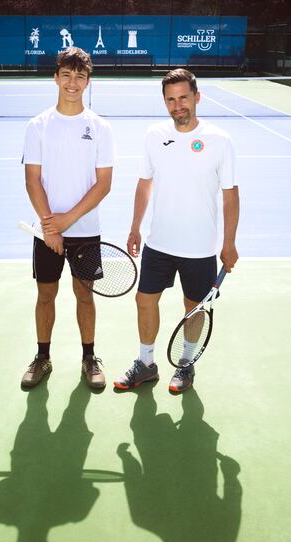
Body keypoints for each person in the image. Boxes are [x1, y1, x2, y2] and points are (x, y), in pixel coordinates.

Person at [114, 68, 239, 394]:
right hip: (159, 243)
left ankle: (185, 364)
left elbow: (230, 195)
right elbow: (144, 184)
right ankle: (146, 364)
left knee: (193, 309)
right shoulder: (154, 135)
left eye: (183, 97)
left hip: (200, 248)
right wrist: (134, 227)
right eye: (171, 99)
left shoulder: (220, 140)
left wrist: (229, 243)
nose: (177, 105)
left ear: (197, 97)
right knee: (144, 300)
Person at [21, 47, 114, 391]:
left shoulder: (101, 127)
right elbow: (33, 181)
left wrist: (65, 222)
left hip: (86, 233)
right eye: (67, 75)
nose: (73, 83)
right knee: (45, 296)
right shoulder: (38, 126)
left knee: (85, 296)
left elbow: (103, 185)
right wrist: (49, 225)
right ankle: (42, 357)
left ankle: (90, 358)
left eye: (80, 76)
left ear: (89, 81)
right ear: (56, 77)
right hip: (46, 233)